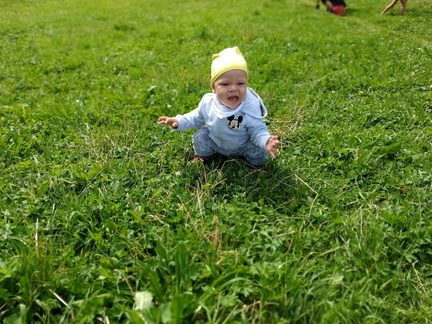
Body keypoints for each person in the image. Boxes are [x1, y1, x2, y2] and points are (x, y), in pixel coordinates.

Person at [158, 46, 280, 167]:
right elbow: (196, 118)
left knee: (257, 148)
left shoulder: (249, 108)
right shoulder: (208, 103)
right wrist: (179, 121)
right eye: (225, 84)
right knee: (201, 135)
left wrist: (266, 141)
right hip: (215, 142)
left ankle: (255, 166)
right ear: (214, 88)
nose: (233, 88)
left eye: (240, 83)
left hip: (242, 145)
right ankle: (203, 156)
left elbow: (257, 131)